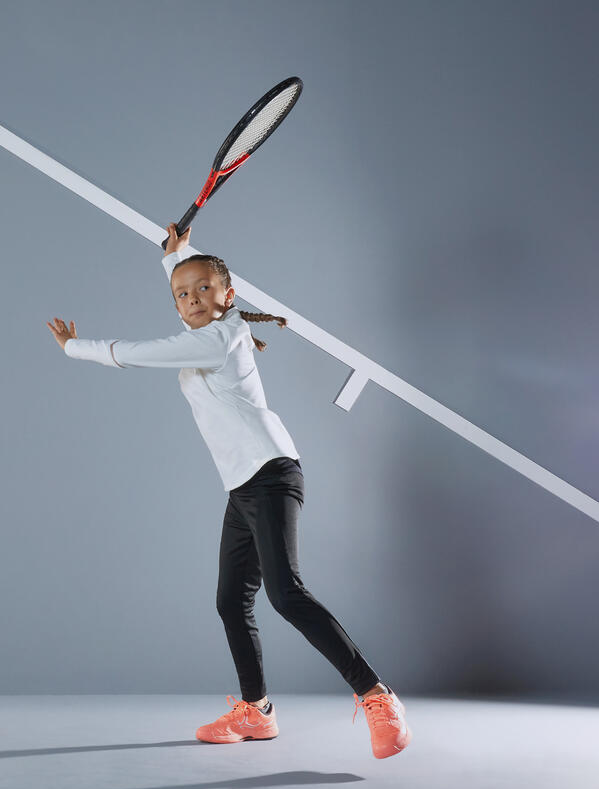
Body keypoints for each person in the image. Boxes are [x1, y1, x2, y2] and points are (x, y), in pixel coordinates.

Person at [46, 223, 411, 759]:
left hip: (269, 473)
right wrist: (177, 255)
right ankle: (256, 712)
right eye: (181, 293)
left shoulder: (218, 336)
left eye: (203, 290)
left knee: (285, 594)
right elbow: (193, 278)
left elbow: (140, 353)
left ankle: (377, 696)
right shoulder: (213, 322)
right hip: (243, 484)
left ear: (229, 295)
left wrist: (76, 347)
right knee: (230, 600)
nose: (192, 299)